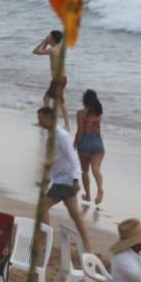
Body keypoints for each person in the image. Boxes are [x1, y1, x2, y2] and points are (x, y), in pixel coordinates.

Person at [38, 106, 91, 249]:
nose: (39, 122)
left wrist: (75, 179)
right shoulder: (52, 135)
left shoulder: (61, 135)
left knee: (42, 207)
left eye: (41, 119)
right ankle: (87, 245)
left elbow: (73, 158)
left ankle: (44, 240)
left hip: (65, 180)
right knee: (75, 215)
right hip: (61, 179)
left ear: (49, 119)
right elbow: (54, 160)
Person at [33, 30, 70, 127]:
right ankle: (45, 121)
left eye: (49, 37)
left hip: (58, 80)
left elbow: (35, 51)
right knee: (46, 98)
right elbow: (42, 51)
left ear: (53, 39)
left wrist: (44, 42)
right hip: (60, 79)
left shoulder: (52, 50)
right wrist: (46, 42)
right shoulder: (59, 47)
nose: (47, 37)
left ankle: (65, 124)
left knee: (60, 103)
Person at [75, 89, 106, 205]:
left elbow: (80, 131)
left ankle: (88, 195)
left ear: (84, 100)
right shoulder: (98, 113)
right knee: (96, 169)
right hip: (98, 142)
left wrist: (75, 143)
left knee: (85, 171)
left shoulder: (81, 113)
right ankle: (100, 190)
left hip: (85, 142)